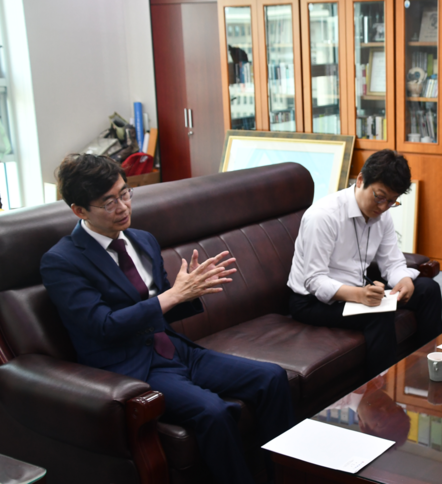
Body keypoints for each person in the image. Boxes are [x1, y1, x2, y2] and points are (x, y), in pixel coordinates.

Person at [40, 154, 293, 484]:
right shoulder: (62, 261)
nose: (123, 207)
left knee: (272, 377)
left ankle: (286, 476)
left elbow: (164, 305)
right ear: (79, 210)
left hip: (174, 349)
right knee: (213, 411)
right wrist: (173, 295)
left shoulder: (143, 240)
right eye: (109, 202)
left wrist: (192, 290)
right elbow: (103, 326)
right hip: (131, 366)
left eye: (125, 193)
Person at [288, 149, 442, 378]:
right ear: (360, 180)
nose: (383, 207)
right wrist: (359, 295)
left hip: (357, 290)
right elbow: (314, 280)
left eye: (391, 201)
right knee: (378, 313)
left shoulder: (382, 215)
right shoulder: (323, 216)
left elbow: (392, 261)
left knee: (428, 289)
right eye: (379, 197)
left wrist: (403, 280)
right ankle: (381, 390)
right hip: (312, 301)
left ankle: (433, 369)